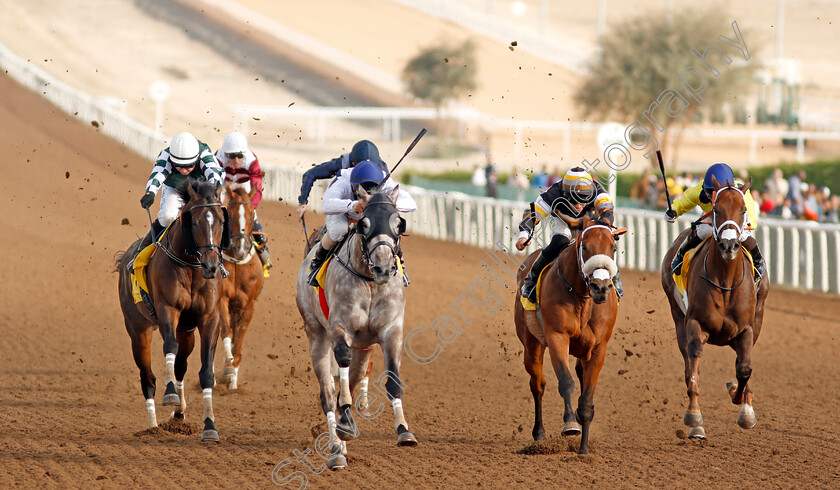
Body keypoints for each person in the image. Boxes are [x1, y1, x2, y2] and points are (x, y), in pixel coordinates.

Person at [515, 167, 622, 303]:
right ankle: (532, 278)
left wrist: (605, 224)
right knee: (559, 243)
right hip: (562, 222)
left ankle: (616, 277)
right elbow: (532, 213)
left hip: (588, 222)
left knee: (603, 244)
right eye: (574, 200)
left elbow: (607, 211)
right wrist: (524, 235)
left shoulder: (598, 191)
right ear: (565, 194)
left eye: (583, 200)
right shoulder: (553, 193)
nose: (578, 205)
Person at [307, 160, 417, 286]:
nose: (368, 192)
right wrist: (353, 205)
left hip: (370, 216)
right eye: (364, 189)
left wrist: (387, 204)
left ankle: (400, 263)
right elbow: (327, 205)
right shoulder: (343, 180)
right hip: (343, 214)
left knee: (389, 227)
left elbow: (412, 204)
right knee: (339, 230)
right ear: (354, 185)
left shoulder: (384, 181)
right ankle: (318, 261)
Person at [666, 163, 766, 281]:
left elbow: (750, 213)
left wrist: (748, 225)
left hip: (734, 220)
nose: (710, 196)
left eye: (714, 192)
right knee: (703, 231)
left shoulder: (740, 192)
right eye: (709, 191)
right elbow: (683, 202)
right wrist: (673, 211)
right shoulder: (699, 190)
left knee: (743, 235)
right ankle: (680, 255)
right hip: (713, 217)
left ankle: (758, 261)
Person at [139, 131, 224, 247]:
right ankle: (144, 245)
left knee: (216, 216)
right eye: (178, 166)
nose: (184, 171)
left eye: (189, 166)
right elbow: (158, 174)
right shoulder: (166, 155)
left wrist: (212, 193)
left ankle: (223, 251)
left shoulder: (204, 153)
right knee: (167, 216)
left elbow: (214, 173)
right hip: (174, 187)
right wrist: (150, 192)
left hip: (202, 189)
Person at [215, 131, 272, 270]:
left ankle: (264, 255)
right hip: (224, 183)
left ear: (244, 154)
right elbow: (213, 184)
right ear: (225, 154)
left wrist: (251, 207)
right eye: (231, 156)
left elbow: (257, 188)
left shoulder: (251, 161)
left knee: (248, 215)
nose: (235, 160)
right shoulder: (217, 158)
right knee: (216, 212)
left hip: (244, 184)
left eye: (239, 156)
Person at [297, 140, 389, 220]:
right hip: (343, 208)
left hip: (370, 207)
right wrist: (303, 202)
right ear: (352, 163)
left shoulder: (382, 169)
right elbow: (311, 174)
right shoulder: (343, 163)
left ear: (377, 164)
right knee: (338, 230)